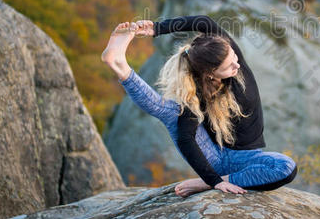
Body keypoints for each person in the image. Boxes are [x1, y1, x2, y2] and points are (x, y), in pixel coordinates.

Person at [101, 15, 298, 197]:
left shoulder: (232, 60)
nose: (237, 66)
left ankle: (207, 183)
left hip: (248, 159)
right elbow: (186, 138)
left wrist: (157, 28)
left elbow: (204, 22)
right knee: (171, 112)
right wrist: (213, 179)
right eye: (229, 65)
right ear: (211, 73)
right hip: (217, 159)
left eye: (235, 58)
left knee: (285, 167)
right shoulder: (198, 93)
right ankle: (119, 64)